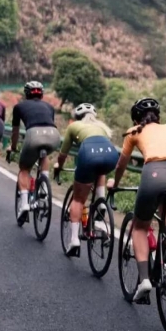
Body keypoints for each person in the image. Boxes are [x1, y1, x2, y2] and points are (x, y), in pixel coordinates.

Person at [107, 98, 166, 303]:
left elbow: (121, 164)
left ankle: (144, 280)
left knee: (139, 228)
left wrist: (115, 183)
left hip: (154, 175)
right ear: (158, 116)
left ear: (135, 118)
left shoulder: (134, 132)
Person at [54, 103, 119, 256]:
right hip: (111, 156)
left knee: (78, 199)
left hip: (88, 155)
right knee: (100, 170)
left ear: (77, 117)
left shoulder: (74, 126)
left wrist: (59, 166)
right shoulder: (102, 127)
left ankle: (74, 240)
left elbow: (63, 154)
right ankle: (101, 201)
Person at [7, 81, 61, 223]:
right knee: (44, 154)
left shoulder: (19, 107)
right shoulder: (49, 107)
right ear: (41, 94)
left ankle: (25, 204)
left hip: (33, 134)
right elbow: (48, 123)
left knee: (24, 169)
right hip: (54, 135)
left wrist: (13, 146)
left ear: (26, 94)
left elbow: (15, 131)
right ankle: (44, 187)